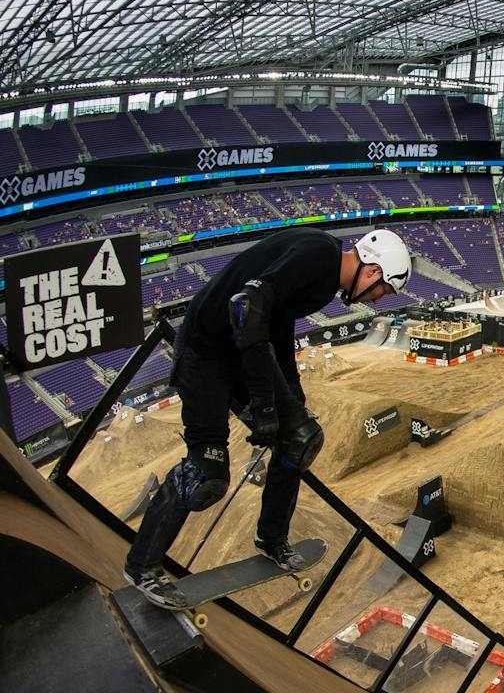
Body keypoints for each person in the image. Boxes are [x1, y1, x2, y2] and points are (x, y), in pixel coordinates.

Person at [123, 227, 412, 608]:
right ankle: (142, 565)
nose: (376, 300)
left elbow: (275, 331)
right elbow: (247, 306)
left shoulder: (321, 280)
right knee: (205, 478)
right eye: (382, 290)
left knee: (301, 438)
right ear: (373, 271)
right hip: (205, 353)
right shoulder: (318, 254)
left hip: (242, 353)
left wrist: (293, 402)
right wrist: (263, 403)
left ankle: (271, 538)